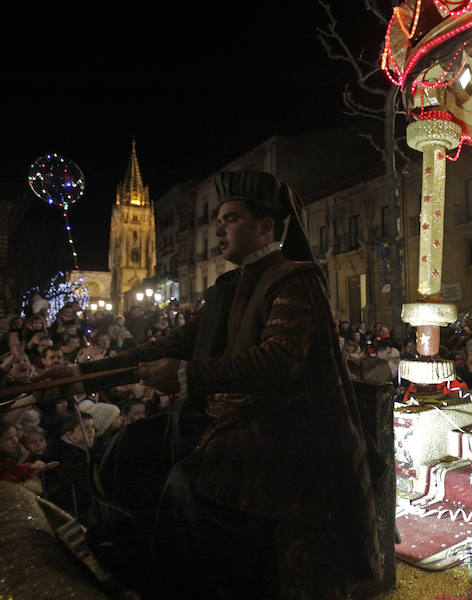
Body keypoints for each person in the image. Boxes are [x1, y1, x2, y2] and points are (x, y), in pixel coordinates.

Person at [37, 170, 379, 599]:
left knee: (188, 480)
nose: (218, 228)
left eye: (231, 219)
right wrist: (81, 374)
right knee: (129, 447)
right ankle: (134, 555)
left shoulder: (296, 278)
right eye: (217, 219)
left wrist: (187, 374)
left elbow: (280, 359)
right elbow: (169, 344)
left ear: (266, 227)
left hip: (285, 429)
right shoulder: (225, 289)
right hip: (226, 423)